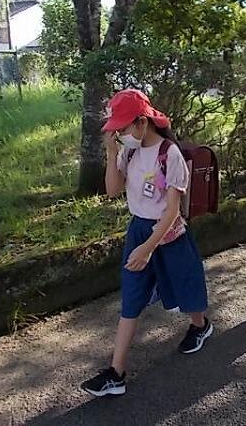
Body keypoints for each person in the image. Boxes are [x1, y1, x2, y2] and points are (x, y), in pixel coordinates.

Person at [81, 89, 212, 397]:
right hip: (139, 231)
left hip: (168, 233)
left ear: (142, 122)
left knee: (185, 287)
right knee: (131, 297)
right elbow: (112, 190)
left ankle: (200, 325)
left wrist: (149, 247)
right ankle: (116, 373)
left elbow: (172, 211)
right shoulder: (129, 152)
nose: (120, 134)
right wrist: (112, 154)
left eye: (123, 127)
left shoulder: (170, 154)